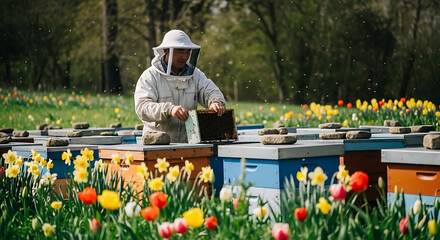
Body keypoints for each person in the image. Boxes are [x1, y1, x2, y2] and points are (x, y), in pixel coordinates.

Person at [134, 30, 226, 143]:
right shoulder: (150, 76)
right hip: (158, 145)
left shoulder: (195, 75)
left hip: (189, 145)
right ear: (166, 51)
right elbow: (142, 107)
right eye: (180, 51)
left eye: (188, 52)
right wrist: (169, 109)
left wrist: (215, 102)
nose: (185, 56)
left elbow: (210, 90)